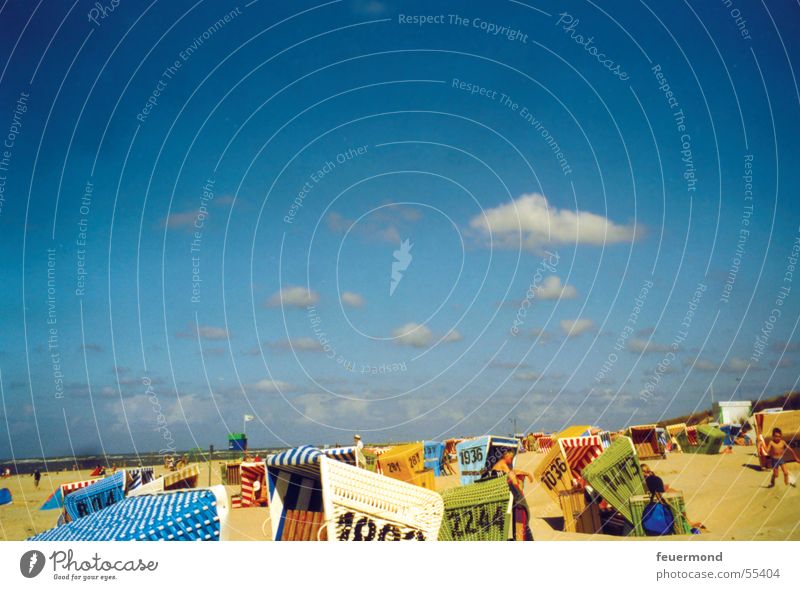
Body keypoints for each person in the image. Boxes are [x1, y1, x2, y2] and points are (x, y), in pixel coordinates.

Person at [641, 463, 704, 531]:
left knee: (675, 492)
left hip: (659, 491)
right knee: (674, 494)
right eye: (644, 471)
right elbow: (652, 489)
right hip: (656, 494)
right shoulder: (645, 480)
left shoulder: (650, 477)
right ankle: (686, 521)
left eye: (647, 471)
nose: (646, 473)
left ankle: (687, 520)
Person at [489, 450, 534, 541]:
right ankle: (522, 538)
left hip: (503, 492)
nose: (512, 459)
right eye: (511, 457)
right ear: (505, 456)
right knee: (521, 511)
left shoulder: (502, 465)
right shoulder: (502, 464)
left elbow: (512, 472)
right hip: (504, 493)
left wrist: (525, 473)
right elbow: (512, 475)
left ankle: (519, 536)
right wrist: (519, 487)